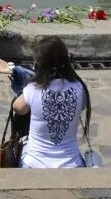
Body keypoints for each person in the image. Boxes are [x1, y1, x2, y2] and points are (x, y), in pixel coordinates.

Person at [7, 36, 91, 169]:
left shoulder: (33, 89)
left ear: (38, 64)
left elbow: (18, 108)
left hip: (34, 164)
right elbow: (82, 106)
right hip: (71, 164)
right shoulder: (79, 88)